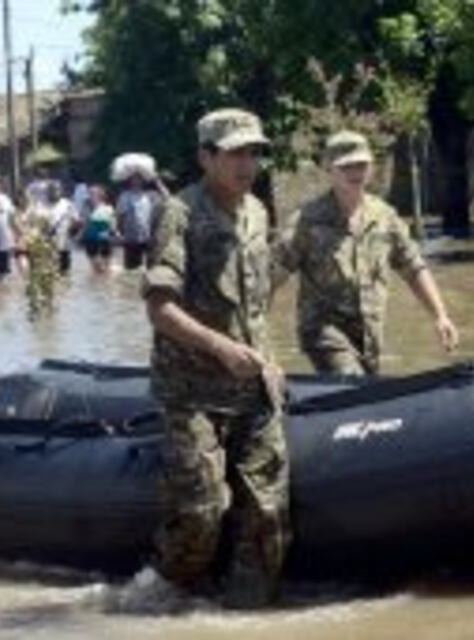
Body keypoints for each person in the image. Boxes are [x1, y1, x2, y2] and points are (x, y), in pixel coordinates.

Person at [142, 108, 289, 608]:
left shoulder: (257, 212)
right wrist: (220, 347)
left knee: (268, 514)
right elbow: (159, 308)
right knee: (202, 513)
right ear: (206, 158)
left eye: (255, 153)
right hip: (192, 390)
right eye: (235, 154)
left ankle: (246, 613)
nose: (248, 164)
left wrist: (266, 356)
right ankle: (164, 599)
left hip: (251, 390)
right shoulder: (180, 214)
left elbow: (254, 298)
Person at [272, 130, 459, 376]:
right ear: (330, 170)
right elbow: (272, 277)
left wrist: (440, 316)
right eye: (346, 166)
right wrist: (256, 333)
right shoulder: (306, 222)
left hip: (370, 336)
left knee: (366, 396)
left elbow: (413, 268)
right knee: (351, 380)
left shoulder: (385, 217)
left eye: (361, 165)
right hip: (324, 334)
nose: (355, 173)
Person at [116, 171, 165, 270]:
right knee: (131, 270)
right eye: (134, 178)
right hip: (131, 238)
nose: (137, 181)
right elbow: (120, 217)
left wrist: (158, 182)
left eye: (139, 178)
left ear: (144, 180)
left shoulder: (152, 195)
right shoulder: (125, 196)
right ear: (130, 180)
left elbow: (168, 200)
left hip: (150, 238)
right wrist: (119, 233)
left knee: (152, 269)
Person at [79, 185, 117, 275]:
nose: (91, 195)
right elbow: (84, 223)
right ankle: (97, 285)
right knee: (94, 268)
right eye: (90, 193)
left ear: (101, 195)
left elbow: (113, 223)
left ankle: (105, 285)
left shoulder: (108, 208)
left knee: (107, 269)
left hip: (104, 240)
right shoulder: (86, 207)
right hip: (90, 240)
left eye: (93, 193)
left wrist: (115, 233)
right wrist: (79, 235)